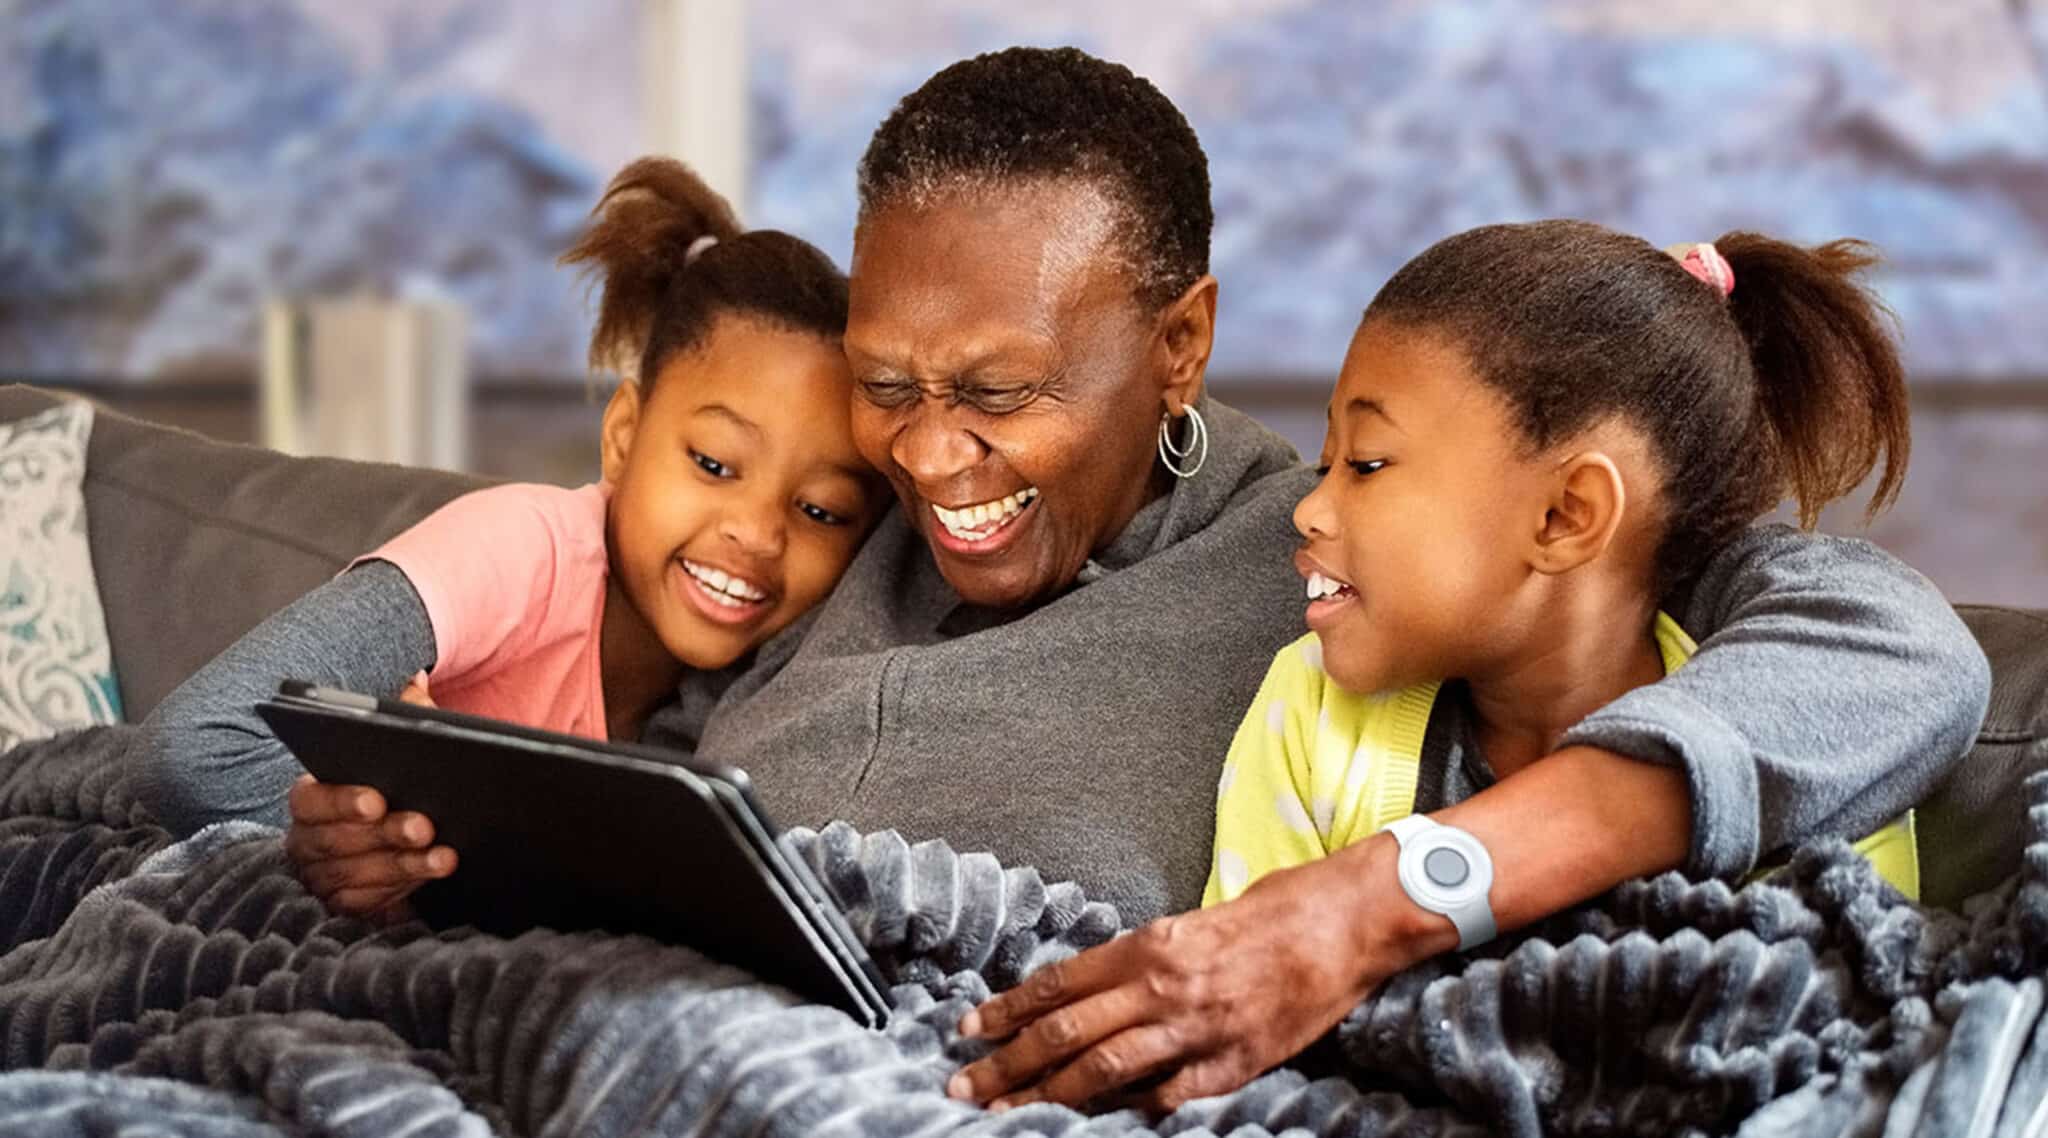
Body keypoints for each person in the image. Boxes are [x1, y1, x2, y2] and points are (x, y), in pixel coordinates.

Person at [277, 49, 1989, 1108]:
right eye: (891, 382)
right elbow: (662, 781)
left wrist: (1362, 900)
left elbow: (1891, 655)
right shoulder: (841, 516)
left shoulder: (1355, 558)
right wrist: (429, 856)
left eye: (1001, 394)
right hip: (595, 1020)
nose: (930, 457)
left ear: (1178, 345)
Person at [135, 158, 886, 916]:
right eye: (715, 463)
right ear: (624, 436)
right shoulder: (521, 548)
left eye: (822, 510)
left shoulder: (768, 686)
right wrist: (377, 856)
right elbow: (198, 750)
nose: (757, 534)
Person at [1206, 225, 1925, 919]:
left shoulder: (1806, 754)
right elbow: (1237, 984)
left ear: (1566, 516)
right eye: (1327, 464)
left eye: (1366, 464)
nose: (1309, 511)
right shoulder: (1312, 712)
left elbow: (1828, 1011)